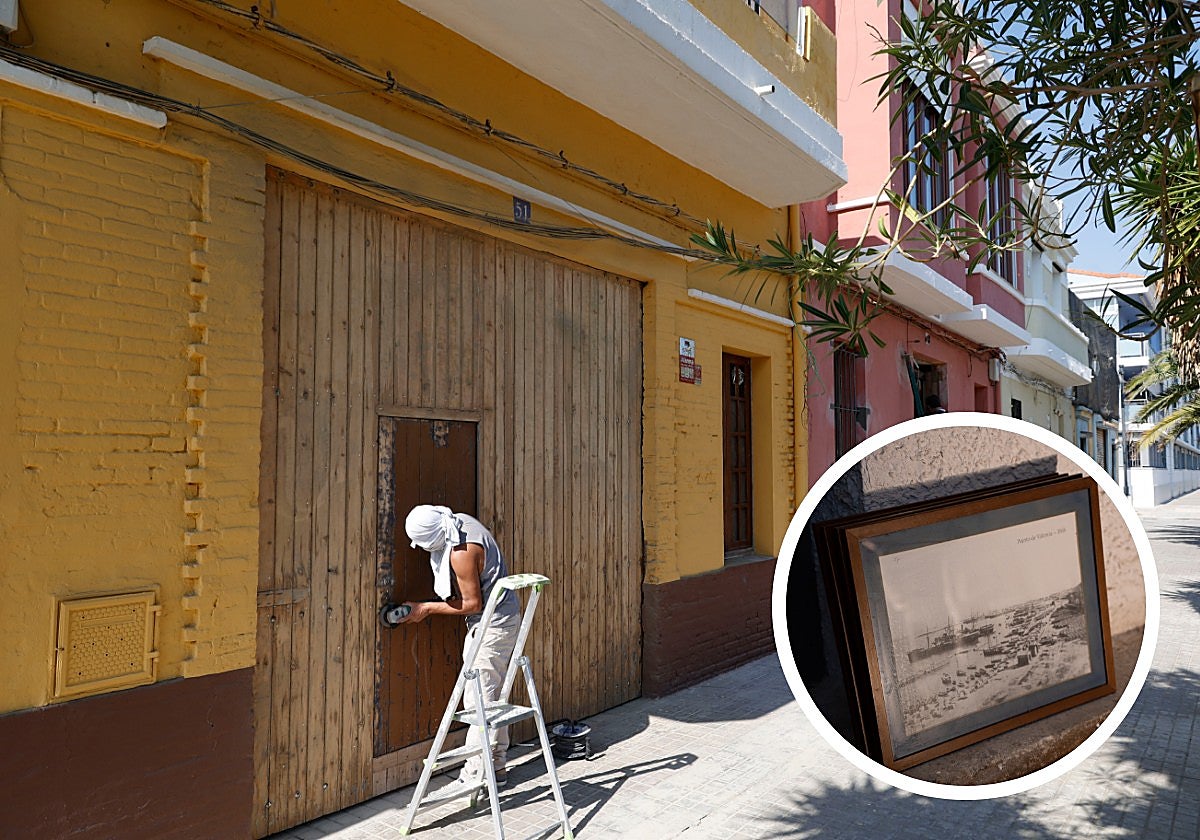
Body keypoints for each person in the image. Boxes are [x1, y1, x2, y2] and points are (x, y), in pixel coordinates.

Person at [401, 504, 520, 789]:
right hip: (503, 618)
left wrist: (426, 608)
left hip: (492, 626)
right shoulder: (460, 522)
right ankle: (497, 766)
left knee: (479, 701)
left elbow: (472, 604)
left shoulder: (461, 553)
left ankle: (477, 773)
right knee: (492, 697)